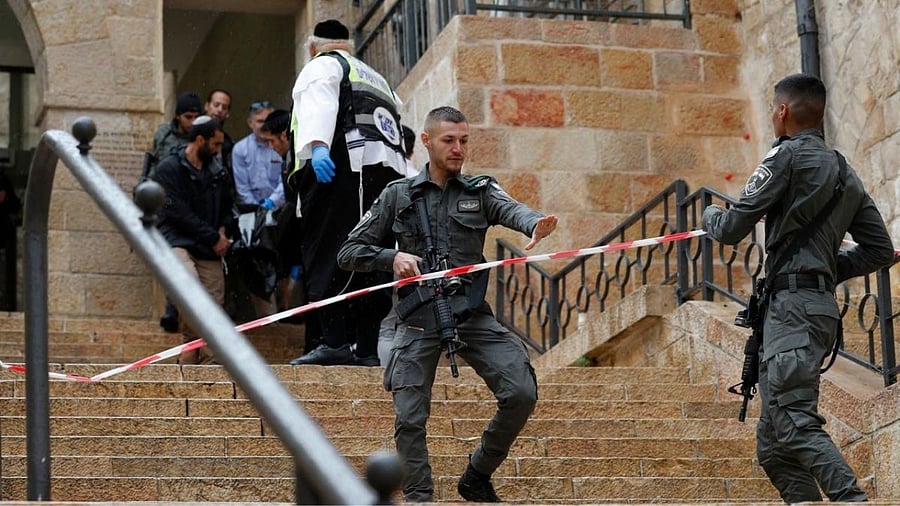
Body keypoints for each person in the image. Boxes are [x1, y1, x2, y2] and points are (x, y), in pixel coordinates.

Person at [337, 106, 558, 502]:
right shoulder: (398, 194)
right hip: (416, 316)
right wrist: (393, 258)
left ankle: (476, 474)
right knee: (410, 418)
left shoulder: (480, 190)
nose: (458, 149)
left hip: (468, 314)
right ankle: (420, 498)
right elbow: (349, 251)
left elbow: (512, 209)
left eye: (464, 141)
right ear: (426, 141)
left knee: (522, 391)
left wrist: (535, 223)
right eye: (449, 140)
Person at [702, 73, 895, 504]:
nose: (772, 115)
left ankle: (852, 499)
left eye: (773, 108)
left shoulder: (783, 157)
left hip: (792, 312)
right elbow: (880, 250)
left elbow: (732, 228)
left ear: (783, 111)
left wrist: (709, 217)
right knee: (774, 449)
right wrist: (826, 271)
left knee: (793, 423)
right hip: (816, 309)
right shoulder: (846, 172)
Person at [287, 19, 409, 367]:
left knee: (330, 251)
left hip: (341, 171)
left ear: (313, 45)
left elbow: (319, 106)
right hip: (385, 177)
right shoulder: (376, 77)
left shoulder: (323, 64)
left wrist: (318, 146)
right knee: (375, 257)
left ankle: (335, 341)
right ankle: (368, 347)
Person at [152, 115, 234, 365]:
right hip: (177, 240)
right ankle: (193, 349)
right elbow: (176, 211)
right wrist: (212, 236)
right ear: (200, 140)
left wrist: (222, 232)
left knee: (213, 305)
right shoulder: (169, 168)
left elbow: (227, 206)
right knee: (189, 288)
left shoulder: (217, 172)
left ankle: (202, 359)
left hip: (208, 246)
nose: (219, 150)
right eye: (216, 145)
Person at [150, 90, 203, 332]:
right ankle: (173, 307)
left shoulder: (201, 138)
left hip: (191, 205)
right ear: (178, 117)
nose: (192, 122)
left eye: (196, 116)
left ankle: (177, 309)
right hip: (166, 202)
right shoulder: (164, 134)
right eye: (188, 117)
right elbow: (154, 163)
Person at [230, 101, 286, 318]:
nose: (265, 126)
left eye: (267, 121)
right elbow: (242, 187)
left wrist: (273, 202)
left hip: (280, 212)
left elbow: (285, 178)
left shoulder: (279, 143)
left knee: (283, 264)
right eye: (260, 121)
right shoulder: (240, 149)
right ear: (250, 122)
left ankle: (287, 311)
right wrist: (258, 211)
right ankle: (267, 318)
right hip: (253, 216)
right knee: (259, 266)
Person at [204, 88, 234, 168]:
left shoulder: (228, 143)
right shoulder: (190, 133)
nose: (220, 110)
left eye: (224, 108)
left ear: (228, 113)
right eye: (216, 105)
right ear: (206, 106)